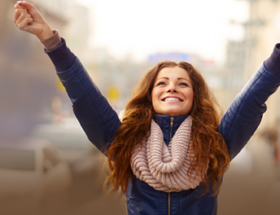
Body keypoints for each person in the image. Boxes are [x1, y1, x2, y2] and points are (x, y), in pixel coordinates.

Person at [14, 1, 280, 215]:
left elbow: (251, 99)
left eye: (182, 84)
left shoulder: (214, 146)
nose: (171, 88)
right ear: (150, 96)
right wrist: (49, 39)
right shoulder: (124, 143)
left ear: (194, 97)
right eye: (161, 83)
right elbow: (84, 97)